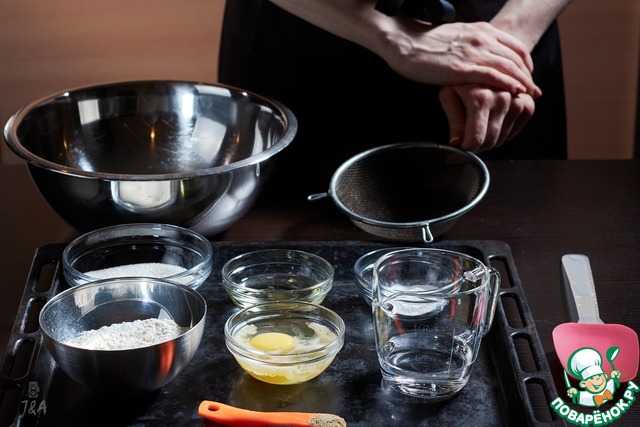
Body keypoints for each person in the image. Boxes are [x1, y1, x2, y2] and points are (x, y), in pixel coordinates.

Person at [218, 0, 572, 199]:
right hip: (312, 34)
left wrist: (502, 52)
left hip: (514, 37)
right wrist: (398, 38)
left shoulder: (502, 51)